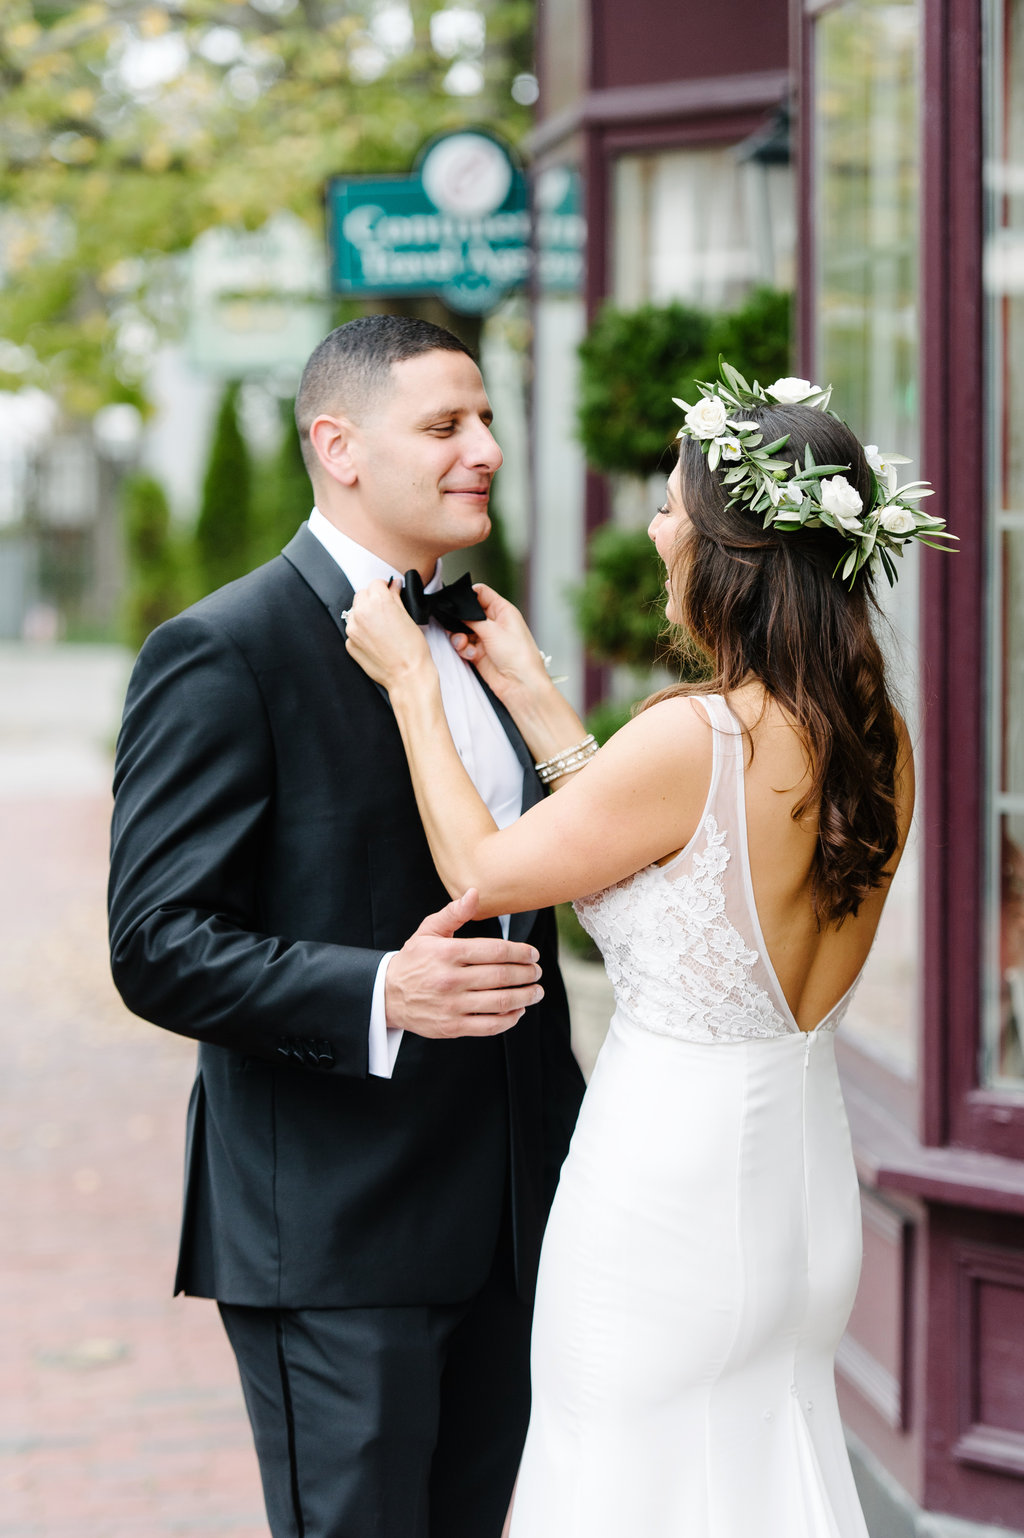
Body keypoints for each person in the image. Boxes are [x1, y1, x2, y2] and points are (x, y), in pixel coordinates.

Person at [343, 364, 955, 1537]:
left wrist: (414, 685)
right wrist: (534, 698)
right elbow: (676, 857)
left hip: (664, 1196)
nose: (657, 525)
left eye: (673, 504)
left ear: (728, 550)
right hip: (797, 1189)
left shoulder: (694, 730)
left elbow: (487, 866)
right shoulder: (879, 736)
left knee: (620, 1484)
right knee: (757, 1475)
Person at [107, 315, 585, 1538]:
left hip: (525, 1222)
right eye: (443, 425)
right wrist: (380, 989)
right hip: (334, 1232)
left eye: (484, 418)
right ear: (340, 445)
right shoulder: (222, 649)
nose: (483, 446)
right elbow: (157, 939)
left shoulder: (488, 637)